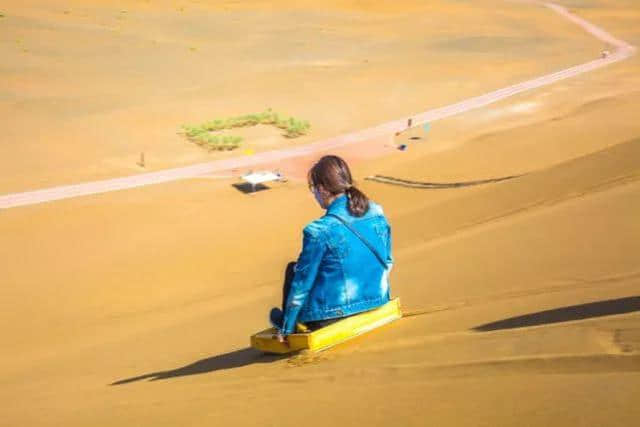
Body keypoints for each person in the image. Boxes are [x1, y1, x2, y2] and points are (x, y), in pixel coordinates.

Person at [269, 155, 393, 340]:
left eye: (313, 189)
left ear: (322, 189)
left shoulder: (318, 230)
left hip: (331, 314)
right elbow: (388, 261)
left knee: (293, 270)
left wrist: (286, 330)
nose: (315, 195)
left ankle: (291, 324)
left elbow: (302, 284)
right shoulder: (377, 212)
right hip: (378, 300)